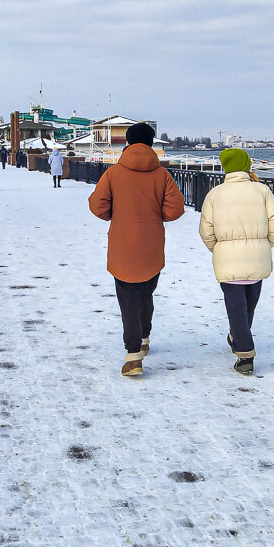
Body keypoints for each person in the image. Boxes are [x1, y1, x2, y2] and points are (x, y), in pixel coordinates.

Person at [88, 122, 185, 377]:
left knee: (128, 298)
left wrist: (115, 213)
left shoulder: (114, 173)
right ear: (152, 143)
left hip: (122, 244)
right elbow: (174, 209)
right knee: (145, 294)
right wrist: (155, 214)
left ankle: (133, 356)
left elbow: (98, 206)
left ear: (128, 143)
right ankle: (143, 338)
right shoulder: (162, 175)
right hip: (152, 244)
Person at [198, 148, 274, 376]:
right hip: (257, 257)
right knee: (249, 305)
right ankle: (241, 341)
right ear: (247, 165)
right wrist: (264, 245)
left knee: (236, 308)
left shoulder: (215, 194)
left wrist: (218, 249)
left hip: (227, 259)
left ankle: (243, 352)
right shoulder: (262, 191)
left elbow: (206, 230)